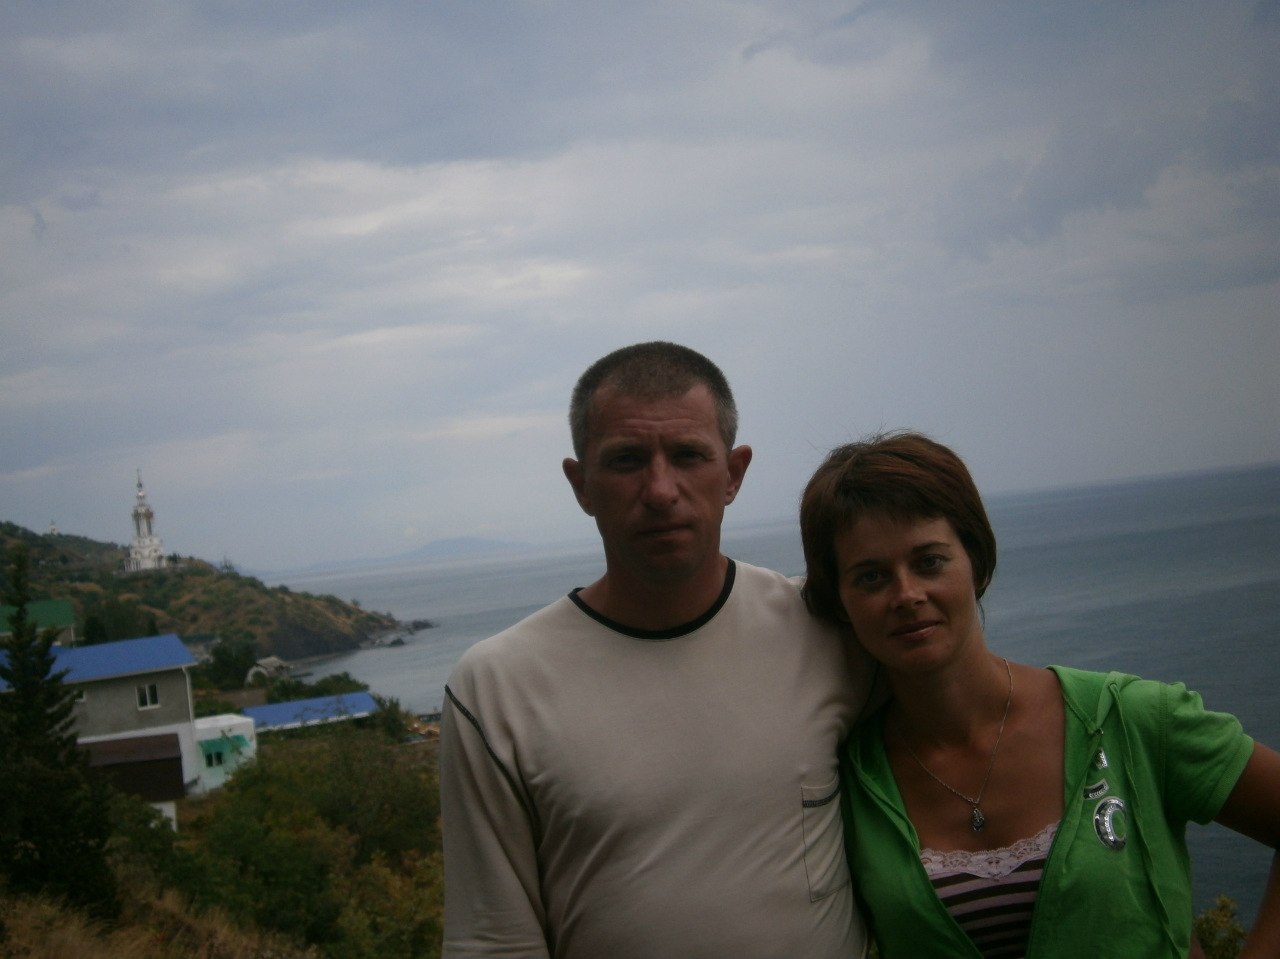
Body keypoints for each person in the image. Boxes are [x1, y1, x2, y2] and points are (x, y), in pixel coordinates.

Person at [439, 342, 872, 959]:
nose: (661, 490)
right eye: (626, 460)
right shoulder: (499, 687)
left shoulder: (829, 632)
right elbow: (492, 941)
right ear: (580, 485)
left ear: (734, 473)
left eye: (689, 455)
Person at [798, 431, 1280, 958]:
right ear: (839, 602)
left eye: (930, 562)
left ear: (976, 563)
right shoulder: (849, 780)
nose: (907, 594)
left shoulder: (1130, 719)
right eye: (871, 577)